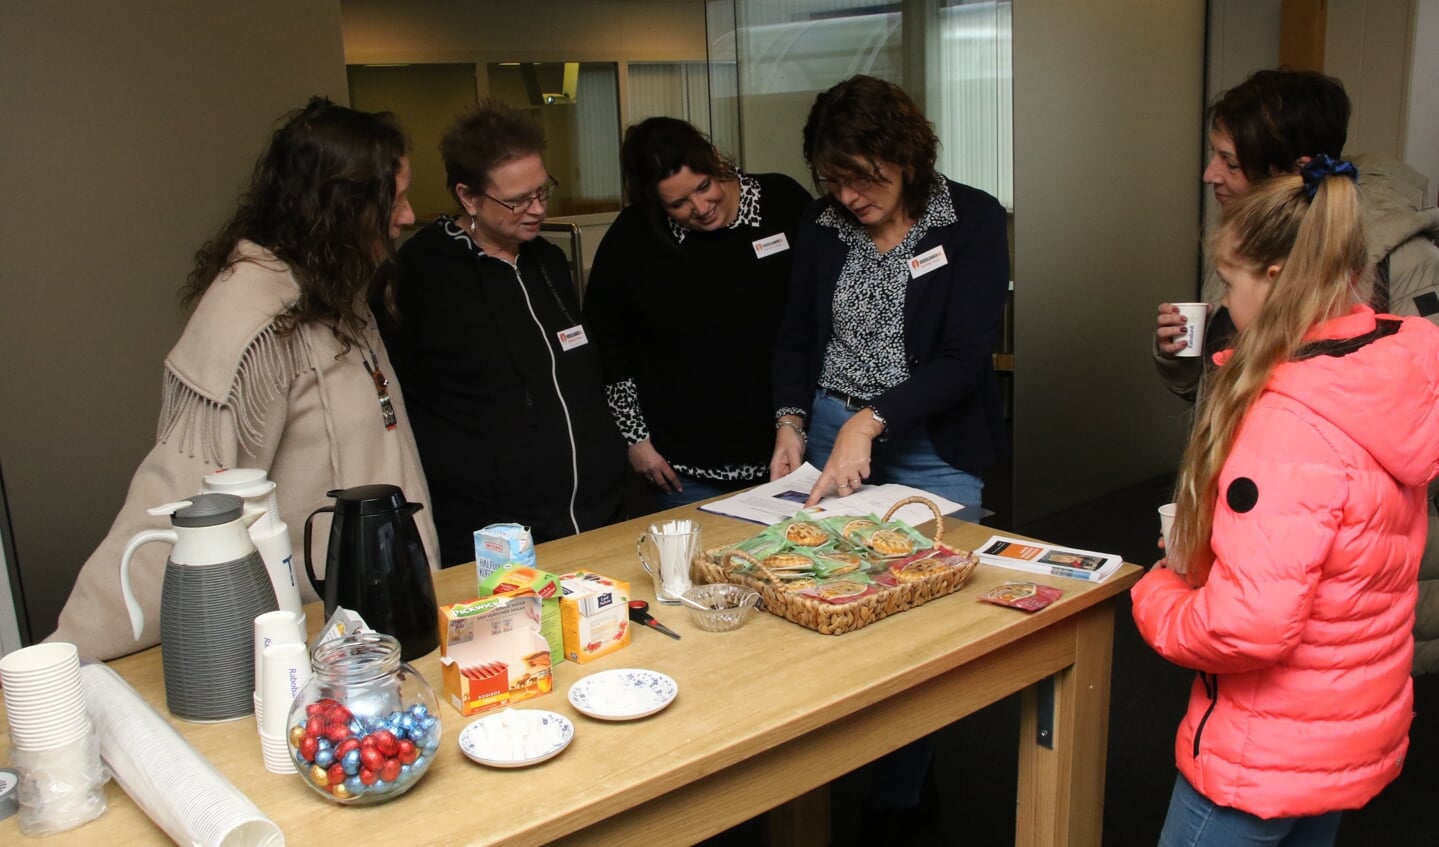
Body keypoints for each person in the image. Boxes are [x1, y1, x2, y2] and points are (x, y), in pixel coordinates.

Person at [49, 97, 439, 661]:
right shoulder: (253, 321)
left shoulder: (337, 289)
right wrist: (61, 666)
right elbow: (177, 504)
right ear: (338, 206)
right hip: (309, 651)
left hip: (384, 629)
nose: (406, 216)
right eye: (393, 200)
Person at [1133, 161, 1439, 846]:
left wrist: (1159, 596)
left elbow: (1248, 625)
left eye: (1229, 279)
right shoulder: (1386, 379)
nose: (1223, 297)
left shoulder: (1287, 418)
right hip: (1343, 730)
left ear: (1272, 280)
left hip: (1261, 750)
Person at [1152, 67, 1439, 675]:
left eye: (1228, 161)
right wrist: (1178, 356)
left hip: (1347, 581)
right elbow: (1218, 382)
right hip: (1252, 546)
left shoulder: (1398, 262)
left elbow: (1420, 414)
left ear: (1289, 162)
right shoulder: (1248, 241)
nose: (1211, 175)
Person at [374, 100, 626, 567]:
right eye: (517, 200)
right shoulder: (417, 276)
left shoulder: (547, 261)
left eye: (542, 191)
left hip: (594, 518)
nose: (536, 209)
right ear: (468, 197)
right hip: (493, 540)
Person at [770, 74, 1010, 515]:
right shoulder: (821, 223)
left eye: (860, 177)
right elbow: (796, 336)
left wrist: (869, 423)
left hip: (934, 447)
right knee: (831, 574)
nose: (847, 196)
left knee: (938, 572)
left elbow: (964, 357)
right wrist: (790, 422)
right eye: (832, 181)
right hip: (830, 433)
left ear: (904, 154)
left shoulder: (971, 220)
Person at [582, 117, 811, 509]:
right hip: (683, 471)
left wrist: (798, 424)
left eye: (704, 187)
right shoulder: (633, 237)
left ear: (716, 160)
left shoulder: (781, 202)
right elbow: (608, 345)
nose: (701, 207)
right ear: (655, 202)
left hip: (786, 452)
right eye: (678, 203)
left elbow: (815, 313)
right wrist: (635, 440)